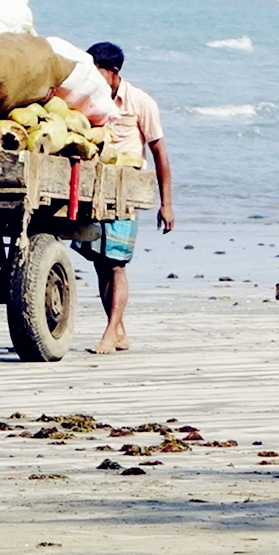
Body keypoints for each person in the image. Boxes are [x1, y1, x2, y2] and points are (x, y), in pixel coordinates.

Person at [77, 41, 173, 354]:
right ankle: (118, 331)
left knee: (117, 265)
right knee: (100, 264)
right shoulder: (89, 99)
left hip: (126, 191)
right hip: (96, 188)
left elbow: (159, 152)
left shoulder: (140, 102)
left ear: (114, 72)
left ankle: (109, 334)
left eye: (97, 72)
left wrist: (166, 204)